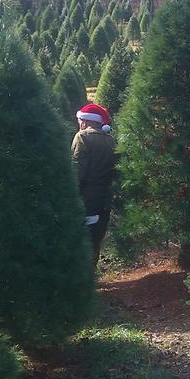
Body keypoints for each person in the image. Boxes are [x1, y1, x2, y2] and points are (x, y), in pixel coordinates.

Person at [71, 103, 116, 265]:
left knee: (82, 238)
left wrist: (70, 194)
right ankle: (92, 275)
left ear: (84, 121)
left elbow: (78, 169)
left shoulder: (82, 137)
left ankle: (82, 281)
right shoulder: (111, 141)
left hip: (86, 199)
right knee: (95, 239)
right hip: (104, 199)